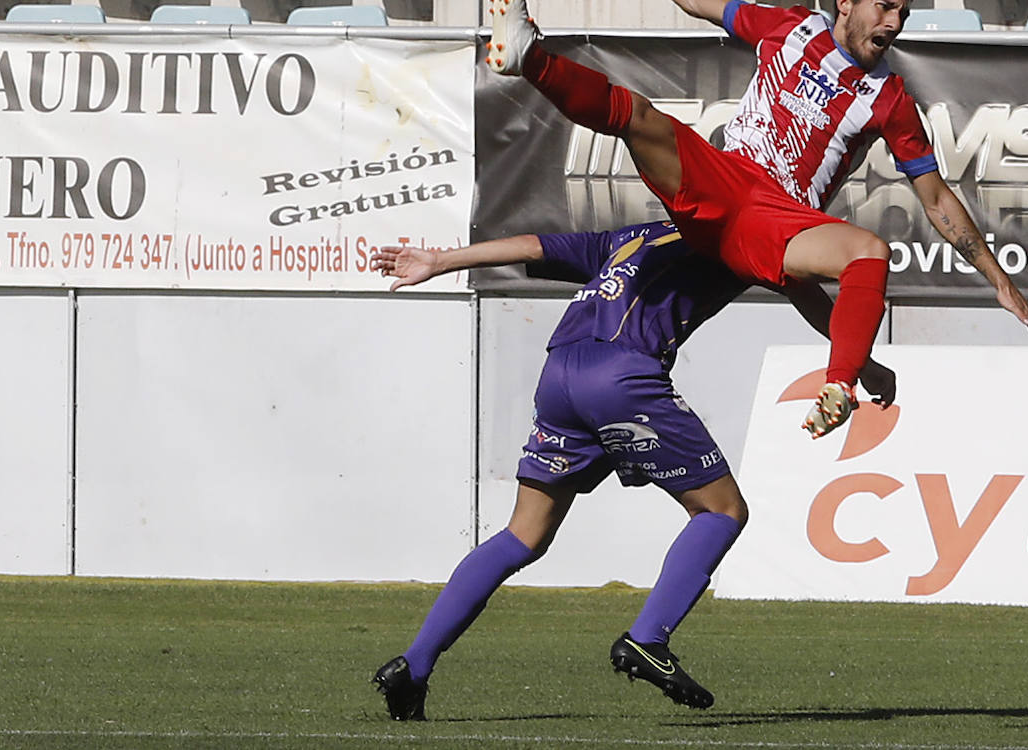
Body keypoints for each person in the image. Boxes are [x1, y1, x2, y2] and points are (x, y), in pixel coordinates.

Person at [483, 0, 1028, 436]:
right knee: (639, 116)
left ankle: (838, 386)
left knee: (869, 251)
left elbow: (936, 198)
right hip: (723, 178)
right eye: (885, 7)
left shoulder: (888, 98)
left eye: (902, 13)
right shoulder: (792, 29)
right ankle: (530, 58)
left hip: (773, 220)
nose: (895, 23)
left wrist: (997, 280)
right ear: (845, 3)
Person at [369, 221, 895, 720]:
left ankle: (413, 666)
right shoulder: (733, 234)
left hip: (560, 374)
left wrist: (441, 260)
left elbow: (532, 246)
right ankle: (648, 638)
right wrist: (858, 364)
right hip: (623, 374)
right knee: (722, 511)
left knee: (522, 535)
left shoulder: (633, 235)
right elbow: (800, 284)